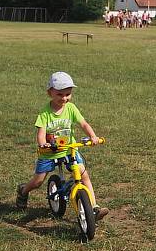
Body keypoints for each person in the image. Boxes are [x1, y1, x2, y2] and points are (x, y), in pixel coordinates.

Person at [16, 71, 109, 220]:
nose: (64, 98)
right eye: (60, 94)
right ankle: (23, 190)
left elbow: (83, 123)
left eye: (68, 94)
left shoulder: (71, 108)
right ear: (50, 93)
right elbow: (41, 133)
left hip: (68, 149)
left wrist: (93, 136)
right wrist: (43, 144)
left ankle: (94, 207)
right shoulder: (45, 113)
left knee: (83, 174)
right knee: (38, 181)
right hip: (49, 152)